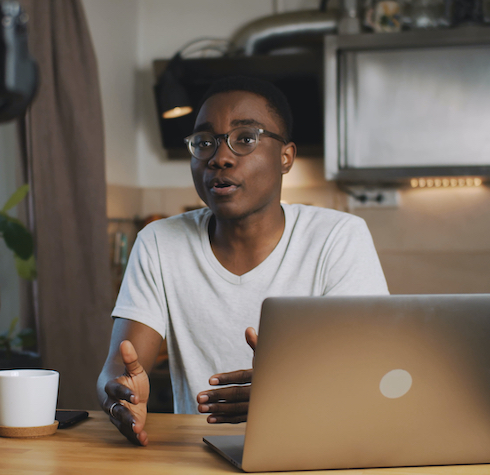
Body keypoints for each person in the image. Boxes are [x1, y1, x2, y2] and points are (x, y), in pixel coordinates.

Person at [96, 76, 389, 446]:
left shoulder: (337, 237)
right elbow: (118, 370)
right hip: (197, 457)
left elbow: (372, 374)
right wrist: (120, 399)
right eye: (204, 142)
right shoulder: (159, 242)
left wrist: (289, 395)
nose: (219, 157)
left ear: (286, 157)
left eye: (245, 138)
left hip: (317, 449)